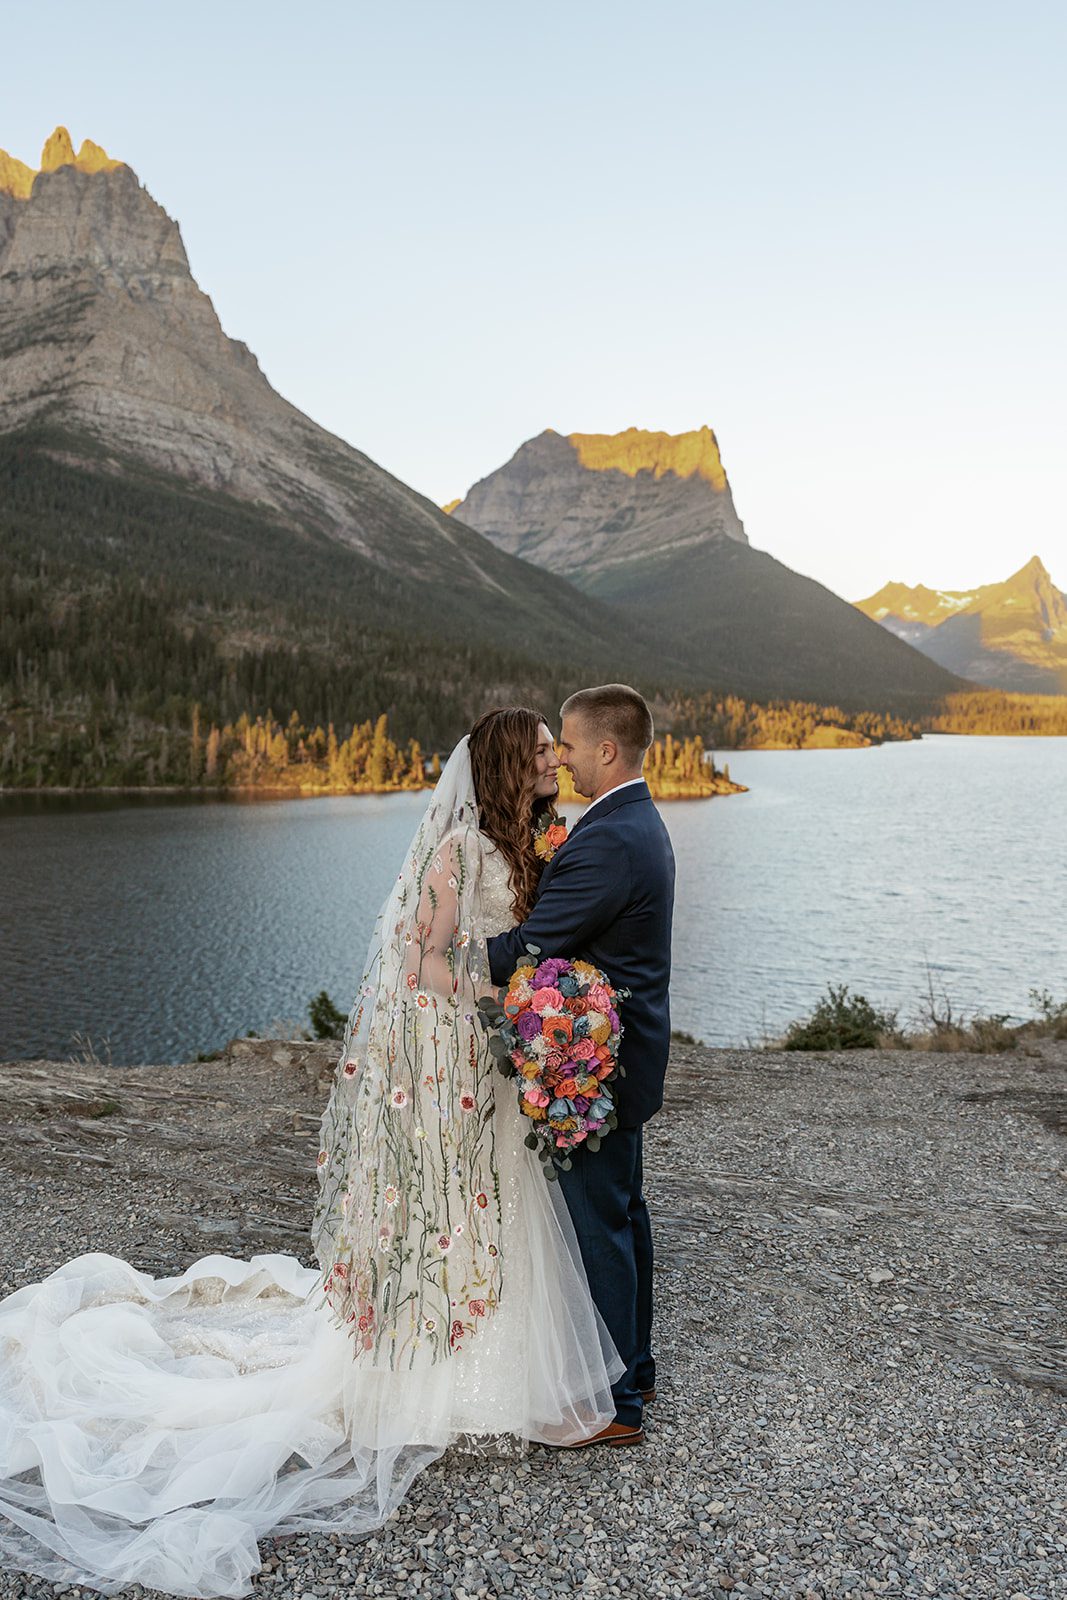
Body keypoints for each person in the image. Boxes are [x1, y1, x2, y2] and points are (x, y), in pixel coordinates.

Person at [0, 709, 622, 1600]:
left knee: (497, 1198)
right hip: (448, 1052)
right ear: (499, 766)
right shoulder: (453, 854)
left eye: (551, 750)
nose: (550, 760)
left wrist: (530, 1004)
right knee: (456, 1202)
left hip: (491, 1049)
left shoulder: (531, 841)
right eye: (534, 753)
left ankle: (507, 1374)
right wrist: (513, 999)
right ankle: (435, 1379)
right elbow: (422, 966)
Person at [487, 684, 676, 1447]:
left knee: (598, 1224)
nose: (558, 757)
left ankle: (614, 1405)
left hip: (589, 1064)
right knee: (623, 1211)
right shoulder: (630, 821)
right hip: (625, 1052)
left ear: (605, 749)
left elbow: (532, 946)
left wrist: (439, 957)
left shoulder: (607, 839)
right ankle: (636, 1363)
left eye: (565, 743)